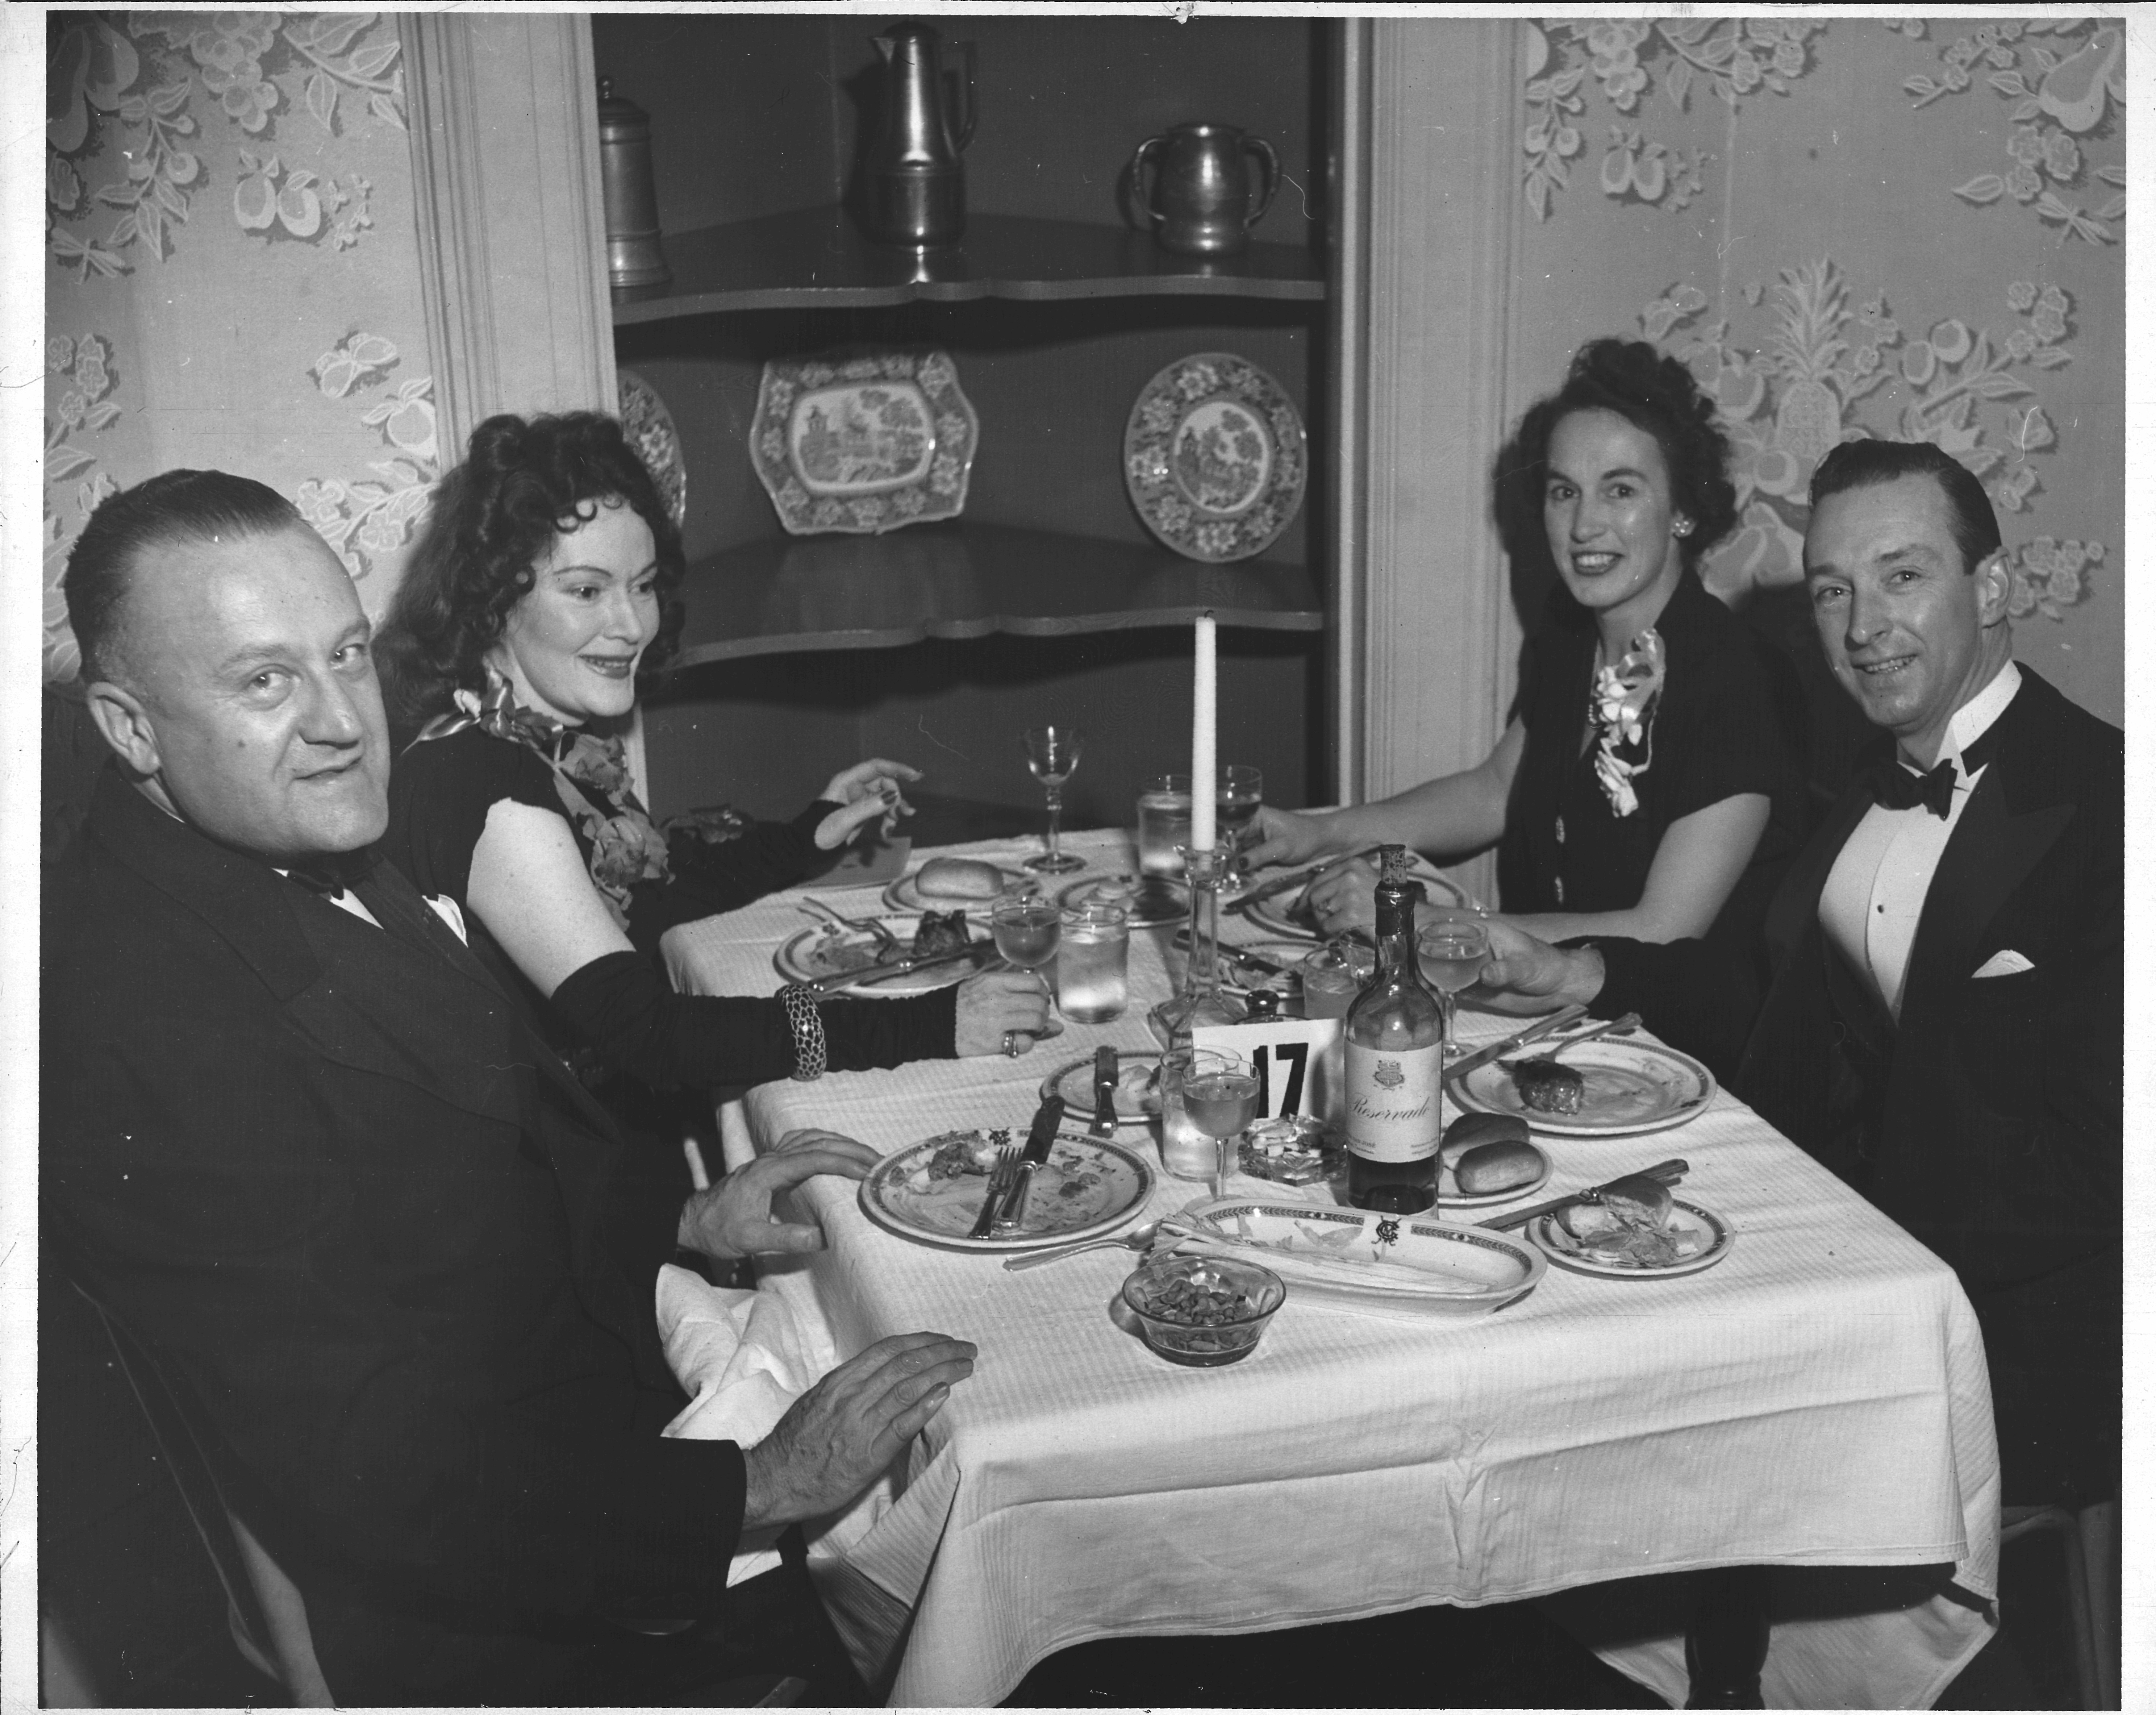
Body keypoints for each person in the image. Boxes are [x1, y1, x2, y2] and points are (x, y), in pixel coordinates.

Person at [43, 468, 977, 1704]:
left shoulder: (280, 833)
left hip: (569, 1426)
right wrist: (761, 1484)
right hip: (513, 1605)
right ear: (129, 727)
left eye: (345, 654)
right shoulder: (138, 1020)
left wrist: (682, 1217)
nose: (341, 720)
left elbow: (464, 1175)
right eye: (264, 681)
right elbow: (372, 1470)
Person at [1467, 439, 2121, 1513]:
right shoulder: (1863, 784)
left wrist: (1840, 1245)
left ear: (1993, 587)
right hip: (1855, 1266)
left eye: (1902, 576)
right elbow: (1768, 1003)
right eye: (1832, 590)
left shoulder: (2111, 804)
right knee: (1550, 1319)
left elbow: (2110, 1164)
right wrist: (1574, 970)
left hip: (2024, 1338)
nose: (1863, 627)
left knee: (1635, 1431)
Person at [375, 412, 1049, 1103]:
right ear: (493, 603)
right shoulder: (495, 795)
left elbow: (652, 900)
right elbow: (654, 1037)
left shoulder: (527, 740)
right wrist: (931, 1023)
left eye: (642, 585)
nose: (632, 625)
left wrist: (808, 836)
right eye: (586, 590)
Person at [1248, 339, 1807, 952]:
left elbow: (1663, 932)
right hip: (1549, 989)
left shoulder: (1740, 681)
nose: (1584, 526)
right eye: (1565, 492)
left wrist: (1417, 921)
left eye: (1621, 491)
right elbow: (1495, 790)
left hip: (1668, 1007)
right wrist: (1319, 833)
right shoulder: (1571, 630)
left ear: (1684, 510)